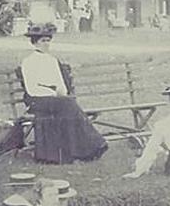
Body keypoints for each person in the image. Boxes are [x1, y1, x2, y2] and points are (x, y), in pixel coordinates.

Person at [10, 23, 107, 164]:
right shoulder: (28, 62)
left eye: (48, 40)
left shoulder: (52, 60)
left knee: (68, 105)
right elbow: (32, 88)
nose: (46, 44)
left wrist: (61, 92)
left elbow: (61, 84)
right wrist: (54, 93)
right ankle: (93, 145)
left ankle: (80, 151)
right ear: (35, 42)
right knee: (69, 105)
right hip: (37, 100)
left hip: (56, 100)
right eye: (43, 41)